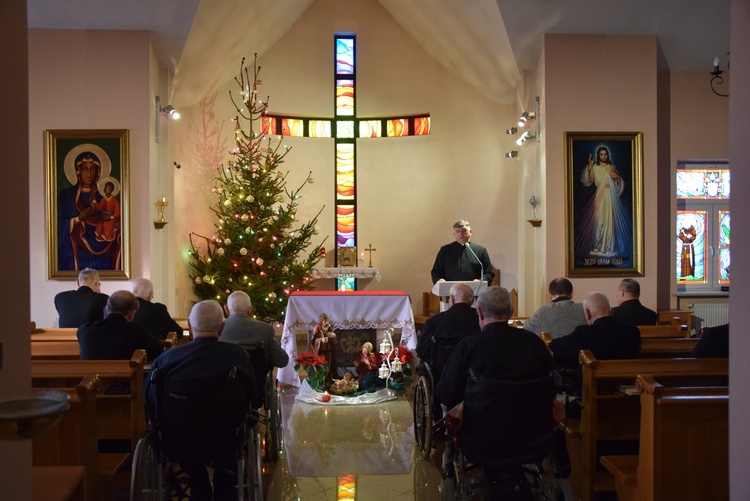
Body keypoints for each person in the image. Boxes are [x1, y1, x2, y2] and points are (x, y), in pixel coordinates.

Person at [145, 300, 260, 501]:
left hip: (178, 439)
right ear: (222, 327)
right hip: (225, 437)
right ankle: (225, 491)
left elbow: (149, 399)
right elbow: (253, 396)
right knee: (228, 461)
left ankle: (199, 486)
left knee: (190, 459)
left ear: (189, 325)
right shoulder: (237, 356)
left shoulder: (166, 360)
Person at [436, 286, 553, 411]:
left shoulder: (468, 346)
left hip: (481, 425)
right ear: (512, 312)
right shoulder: (535, 342)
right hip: (533, 423)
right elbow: (551, 383)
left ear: (479, 313)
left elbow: (447, 394)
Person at [58, 151, 122, 271]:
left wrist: (113, 222)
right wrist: (78, 219)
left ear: (98, 172)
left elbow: (118, 219)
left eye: (92, 169)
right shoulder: (66, 196)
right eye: (85, 169)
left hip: (105, 249)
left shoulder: (103, 197)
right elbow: (58, 226)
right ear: (78, 171)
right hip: (79, 249)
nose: (88, 174)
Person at [549, 291, 642, 366]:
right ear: (612, 311)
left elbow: (553, 347)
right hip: (628, 385)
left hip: (591, 387)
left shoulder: (583, 333)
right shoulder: (632, 331)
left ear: (587, 312)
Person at [77, 290, 164, 361]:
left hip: (87, 381)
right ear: (132, 314)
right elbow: (158, 350)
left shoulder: (85, 330)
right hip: (124, 381)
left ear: (107, 309)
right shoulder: (135, 331)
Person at [416, 283, 480, 369]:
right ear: (472, 301)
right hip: (474, 375)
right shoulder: (481, 321)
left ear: (452, 299)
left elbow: (422, 352)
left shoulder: (433, 322)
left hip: (441, 375)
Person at [579, 146, 628, 257]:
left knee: (609, 221)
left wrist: (616, 178)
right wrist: (590, 167)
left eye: (605, 154)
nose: (603, 156)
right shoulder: (595, 168)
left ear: (608, 155)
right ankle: (598, 244)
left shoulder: (611, 167)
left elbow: (619, 181)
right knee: (599, 220)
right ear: (598, 155)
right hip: (599, 195)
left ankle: (608, 246)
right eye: (601, 154)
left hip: (609, 195)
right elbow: (589, 181)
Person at [221, 290, 289, 368]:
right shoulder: (265, 329)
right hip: (255, 379)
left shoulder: (216, 329)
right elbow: (281, 361)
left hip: (223, 379)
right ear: (250, 309)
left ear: (226, 309)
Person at [431, 219, 494, 284]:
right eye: (458, 231)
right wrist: (439, 280)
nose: (461, 234)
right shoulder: (445, 250)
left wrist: (480, 281)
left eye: (464, 231)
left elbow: (489, 273)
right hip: (449, 292)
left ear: (470, 232)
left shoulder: (480, 250)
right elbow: (436, 271)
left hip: (474, 292)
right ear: (454, 234)